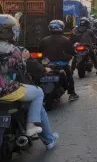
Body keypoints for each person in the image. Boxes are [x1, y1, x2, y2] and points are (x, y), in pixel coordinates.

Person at [0, 14, 58, 149]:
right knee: (38, 94)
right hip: (7, 90)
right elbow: (27, 67)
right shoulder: (16, 50)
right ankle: (34, 128)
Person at [39, 20, 79, 101]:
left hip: (47, 64)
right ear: (61, 28)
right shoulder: (66, 40)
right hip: (62, 64)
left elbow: (40, 52)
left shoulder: (44, 40)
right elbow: (71, 52)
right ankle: (72, 93)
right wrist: (71, 55)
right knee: (69, 76)